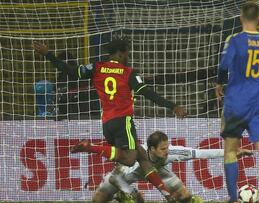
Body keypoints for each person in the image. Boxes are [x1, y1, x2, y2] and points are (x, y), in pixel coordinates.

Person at [33, 39, 187, 201]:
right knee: (129, 159)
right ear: (121, 53)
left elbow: (70, 71)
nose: (128, 56)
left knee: (142, 156)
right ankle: (90, 147)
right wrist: (172, 106)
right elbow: (147, 92)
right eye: (127, 53)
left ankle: (167, 195)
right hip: (123, 121)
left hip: (107, 123)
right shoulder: (129, 72)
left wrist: (48, 54)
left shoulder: (97, 67)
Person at [215, 3, 259, 203]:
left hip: (236, 102)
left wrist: (218, 82)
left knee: (230, 151)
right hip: (258, 103)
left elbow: (224, 65)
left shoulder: (235, 40)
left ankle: (233, 198)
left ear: (241, 18)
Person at [93, 131, 253, 203]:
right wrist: (131, 193)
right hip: (125, 178)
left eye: (167, 147)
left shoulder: (171, 153)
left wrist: (232, 151)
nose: (167, 151)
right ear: (151, 149)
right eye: (163, 149)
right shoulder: (133, 157)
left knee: (185, 196)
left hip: (158, 172)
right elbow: (115, 178)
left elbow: (201, 153)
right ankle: (122, 196)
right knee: (98, 199)